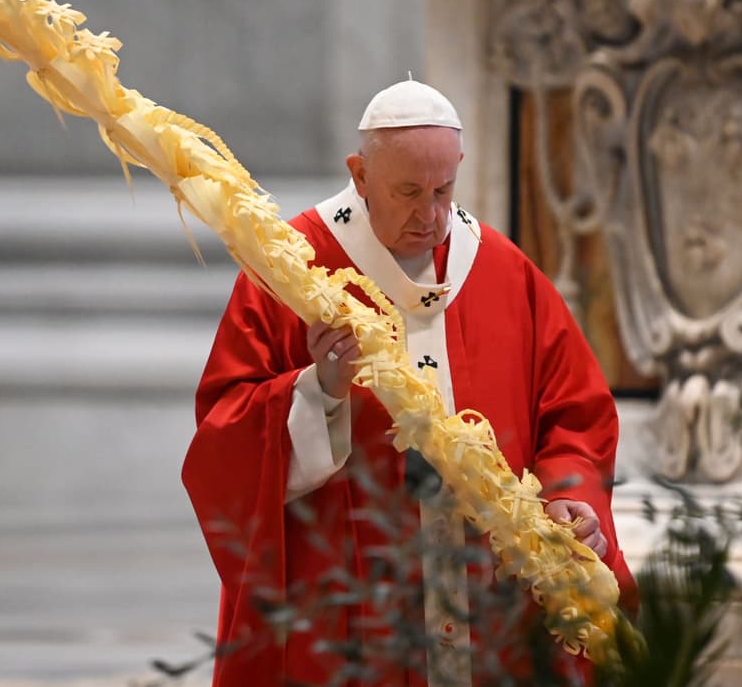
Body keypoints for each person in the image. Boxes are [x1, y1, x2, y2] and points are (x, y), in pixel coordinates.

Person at [182, 79, 636, 686]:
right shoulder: (290, 265)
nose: (430, 216)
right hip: (355, 606)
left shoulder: (500, 268)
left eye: (443, 190)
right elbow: (224, 436)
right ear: (360, 174)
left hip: (487, 602)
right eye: (408, 192)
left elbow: (573, 412)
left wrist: (567, 496)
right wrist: (321, 390)